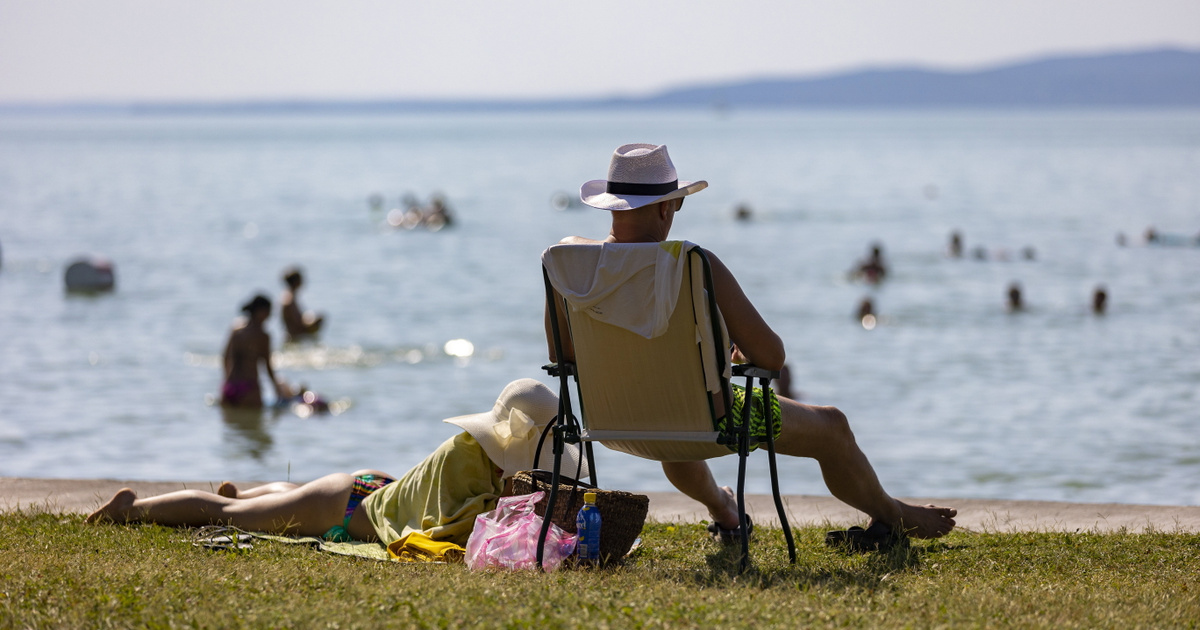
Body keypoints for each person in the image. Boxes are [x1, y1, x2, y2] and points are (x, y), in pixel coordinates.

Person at [547, 143, 956, 543]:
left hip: (613, 423)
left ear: (610, 206)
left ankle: (725, 512)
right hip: (712, 423)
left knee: (675, 412)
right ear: (665, 207)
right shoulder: (691, 263)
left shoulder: (570, 265)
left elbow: (562, 356)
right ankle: (894, 515)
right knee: (833, 426)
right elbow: (773, 357)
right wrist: (727, 354)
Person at [89, 379, 583, 548]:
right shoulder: (466, 463)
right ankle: (132, 509)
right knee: (227, 518)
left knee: (285, 501)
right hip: (346, 507)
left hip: (369, 489)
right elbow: (457, 529)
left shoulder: (473, 455)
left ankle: (248, 492)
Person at [221, 294, 285, 408]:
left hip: (230, 387)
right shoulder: (262, 335)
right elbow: (267, 366)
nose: (269, 316)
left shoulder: (236, 329)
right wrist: (276, 388)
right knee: (254, 424)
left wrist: (226, 381)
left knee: (234, 424)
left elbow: (225, 358)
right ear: (260, 311)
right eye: (268, 312)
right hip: (249, 389)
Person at [280, 267, 325, 342]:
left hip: (294, 337)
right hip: (294, 338)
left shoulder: (289, 297)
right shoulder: (289, 300)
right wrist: (313, 323)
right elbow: (297, 323)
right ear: (296, 282)